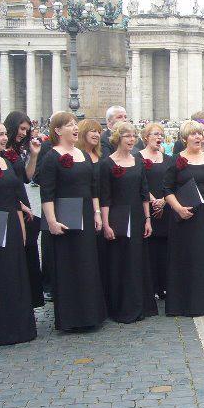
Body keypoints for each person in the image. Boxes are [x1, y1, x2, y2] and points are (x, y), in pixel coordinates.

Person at [40, 112, 107, 331]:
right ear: (58, 131)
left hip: (86, 214)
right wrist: (51, 221)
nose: (75, 128)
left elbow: (92, 187)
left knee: (88, 263)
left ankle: (91, 314)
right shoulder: (52, 156)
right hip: (65, 217)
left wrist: (97, 213)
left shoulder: (83, 154)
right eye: (70, 125)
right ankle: (71, 318)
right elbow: (47, 193)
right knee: (69, 266)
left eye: (76, 124)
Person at [164, 120, 204, 316]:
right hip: (186, 216)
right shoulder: (176, 160)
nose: (198, 137)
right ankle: (187, 302)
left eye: (200, 133)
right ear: (184, 138)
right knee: (189, 256)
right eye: (193, 134)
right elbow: (167, 188)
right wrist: (178, 209)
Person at [100, 122, 156, 323]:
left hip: (138, 215)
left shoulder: (138, 161)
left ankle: (140, 305)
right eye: (127, 136)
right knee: (120, 262)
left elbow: (143, 193)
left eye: (133, 136)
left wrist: (148, 218)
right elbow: (105, 197)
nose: (131, 140)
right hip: (117, 216)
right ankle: (121, 306)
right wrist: (106, 224)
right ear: (118, 138)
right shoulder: (107, 164)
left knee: (137, 260)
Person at [0, 122, 37, 346]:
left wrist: (22, 214)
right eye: (0, 135)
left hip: (11, 220)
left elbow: (15, 191)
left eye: (4, 134)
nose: (5, 138)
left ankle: (17, 326)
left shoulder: (5, 160)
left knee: (14, 271)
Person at [3, 110, 43, 308]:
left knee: (27, 249)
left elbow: (27, 178)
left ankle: (28, 299)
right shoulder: (2, 152)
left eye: (27, 130)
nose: (24, 133)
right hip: (8, 204)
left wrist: (34, 156)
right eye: (22, 129)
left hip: (22, 202)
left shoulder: (16, 151)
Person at [139, 123, 172, 299]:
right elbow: (141, 182)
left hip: (166, 206)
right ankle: (151, 285)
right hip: (147, 205)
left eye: (161, 134)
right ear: (146, 137)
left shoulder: (168, 158)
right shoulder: (138, 158)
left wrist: (164, 201)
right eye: (155, 134)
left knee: (165, 248)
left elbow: (171, 183)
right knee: (149, 247)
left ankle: (164, 285)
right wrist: (153, 201)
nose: (159, 137)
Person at [77, 119, 108, 297]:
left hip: (104, 206)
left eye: (98, 131)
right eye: (92, 131)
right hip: (87, 207)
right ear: (82, 133)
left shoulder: (101, 156)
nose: (97, 134)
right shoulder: (79, 156)